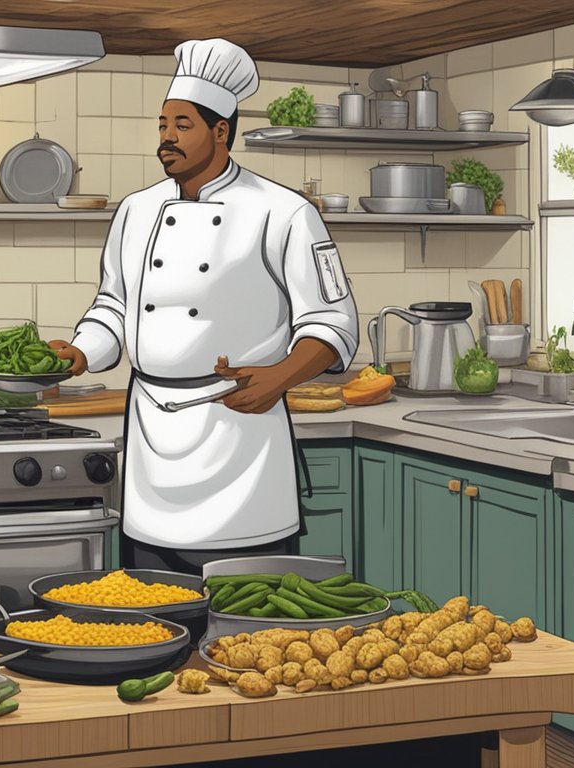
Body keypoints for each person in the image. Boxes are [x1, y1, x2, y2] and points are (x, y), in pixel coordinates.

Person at [48, 38, 358, 576]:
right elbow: (113, 307)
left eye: (182, 125)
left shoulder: (285, 212)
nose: (167, 139)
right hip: (151, 440)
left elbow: (334, 321)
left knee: (249, 615)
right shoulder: (137, 211)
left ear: (221, 132)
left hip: (237, 436)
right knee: (152, 605)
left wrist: (280, 377)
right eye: (163, 126)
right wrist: (78, 352)